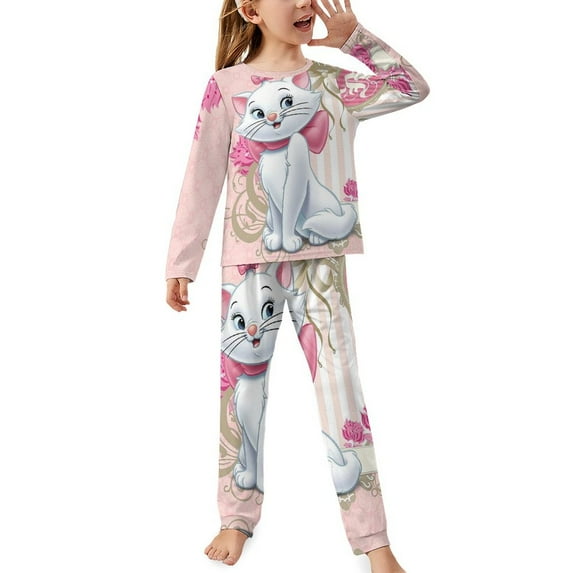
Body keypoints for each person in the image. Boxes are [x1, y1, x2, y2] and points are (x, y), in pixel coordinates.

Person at [165, 0, 429, 571]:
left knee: (342, 388)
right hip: (246, 264)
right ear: (251, 10)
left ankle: (374, 539)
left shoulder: (331, 84)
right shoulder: (227, 86)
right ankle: (236, 517)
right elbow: (202, 173)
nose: (307, 2)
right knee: (240, 391)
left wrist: (355, 39)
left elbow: (411, 87)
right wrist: (182, 260)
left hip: (322, 263)